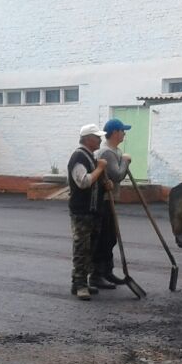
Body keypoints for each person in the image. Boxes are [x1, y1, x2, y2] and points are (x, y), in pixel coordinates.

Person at [67, 124, 109, 300]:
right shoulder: (79, 157)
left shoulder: (91, 157)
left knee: (90, 248)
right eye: (97, 137)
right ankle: (79, 284)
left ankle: (82, 281)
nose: (100, 140)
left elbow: (94, 183)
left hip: (93, 211)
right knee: (81, 248)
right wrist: (99, 169)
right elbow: (83, 182)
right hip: (82, 211)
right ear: (87, 139)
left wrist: (105, 185)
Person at [92, 118, 133, 288]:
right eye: (123, 131)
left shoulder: (115, 151)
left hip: (110, 199)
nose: (124, 134)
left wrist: (123, 159)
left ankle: (107, 272)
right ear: (115, 132)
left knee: (110, 238)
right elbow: (117, 175)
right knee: (104, 238)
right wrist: (126, 161)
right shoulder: (107, 152)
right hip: (104, 201)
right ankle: (97, 275)